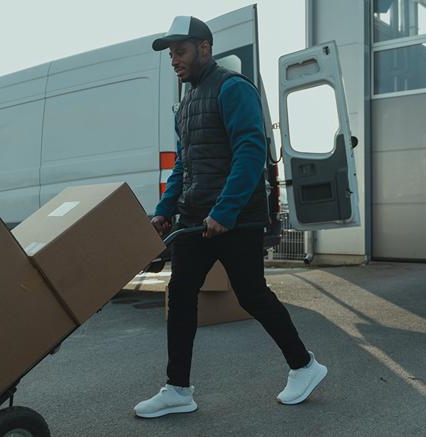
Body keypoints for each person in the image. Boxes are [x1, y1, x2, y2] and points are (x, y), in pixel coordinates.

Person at [134, 16, 327, 419]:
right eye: (170, 53)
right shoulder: (186, 104)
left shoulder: (233, 89)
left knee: (252, 295)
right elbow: (184, 165)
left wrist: (225, 210)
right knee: (181, 296)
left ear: (204, 48)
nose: (174, 60)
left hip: (235, 219)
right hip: (194, 218)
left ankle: (304, 366)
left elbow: (250, 152)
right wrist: (165, 210)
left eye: (180, 51)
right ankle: (178, 389)